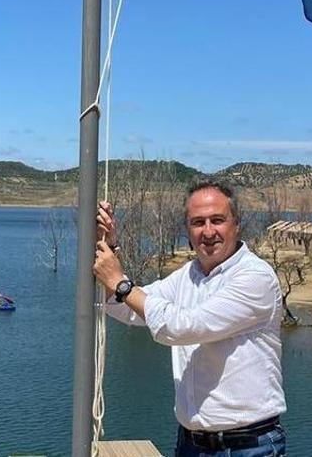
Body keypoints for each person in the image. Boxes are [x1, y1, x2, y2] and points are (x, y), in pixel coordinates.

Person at [94, 180, 286, 456]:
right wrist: (110, 249)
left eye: (217, 220)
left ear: (237, 223)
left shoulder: (255, 277)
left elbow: (180, 327)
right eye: (198, 222)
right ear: (187, 230)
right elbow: (126, 308)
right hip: (191, 445)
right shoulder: (188, 275)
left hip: (248, 447)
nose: (208, 232)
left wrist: (121, 283)